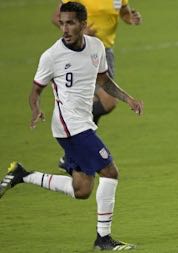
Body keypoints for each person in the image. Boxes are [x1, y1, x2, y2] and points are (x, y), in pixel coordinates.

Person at [0, 2, 143, 251]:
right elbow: (35, 91)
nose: (65, 28)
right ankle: (103, 239)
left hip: (82, 121)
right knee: (110, 172)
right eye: (63, 23)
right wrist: (36, 109)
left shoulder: (96, 46)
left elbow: (103, 80)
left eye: (71, 23)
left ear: (83, 25)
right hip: (69, 126)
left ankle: (22, 174)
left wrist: (127, 98)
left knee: (82, 189)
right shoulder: (52, 56)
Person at [52, 0, 142, 125]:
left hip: (105, 52)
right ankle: (72, 123)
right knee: (108, 101)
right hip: (83, 51)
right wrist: (80, 31)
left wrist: (131, 18)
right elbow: (57, 17)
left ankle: (83, 132)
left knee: (92, 99)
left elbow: (124, 13)